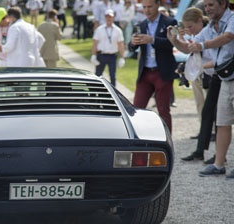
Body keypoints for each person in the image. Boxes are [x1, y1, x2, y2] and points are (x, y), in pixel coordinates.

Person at [167, 0, 234, 178]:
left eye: (211, 5)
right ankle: (218, 164)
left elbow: (228, 37)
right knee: (222, 122)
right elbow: (190, 48)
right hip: (224, 77)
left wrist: (202, 46)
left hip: (230, 74)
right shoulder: (210, 27)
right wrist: (174, 41)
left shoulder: (232, 19)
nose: (207, 9)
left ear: (223, 4)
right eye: (206, 5)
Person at [173, 8, 220, 163]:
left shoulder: (210, 32)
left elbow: (218, 59)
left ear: (200, 21)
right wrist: (175, 39)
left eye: (190, 27)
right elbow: (189, 49)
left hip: (218, 77)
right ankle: (202, 151)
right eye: (186, 27)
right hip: (207, 76)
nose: (188, 30)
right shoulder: (202, 33)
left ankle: (219, 155)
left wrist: (199, 67)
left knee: (219, 118)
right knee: (206, 113)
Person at [128, 0, 177, 134]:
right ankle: (137, 141)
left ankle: (167, 143)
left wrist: (153, 40)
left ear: (157, 5)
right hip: (145, 73)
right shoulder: (140, 25)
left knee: (163, 110)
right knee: (136, 109)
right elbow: (131, 48)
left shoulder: (170, 22)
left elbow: (173, 44)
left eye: (150, 7)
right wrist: (132, 43)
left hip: (162, 72)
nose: (147, 10)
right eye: (144, 7)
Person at [91, 9, 125, 86]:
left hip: (112, 56)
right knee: (97, 76)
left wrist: (122, 57)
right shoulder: (99, 29)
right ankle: (95, 93)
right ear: (105, 17)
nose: (109, 18)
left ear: (113, 18)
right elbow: (95, 43)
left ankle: (114, 95)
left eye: (110, 17)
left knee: (113, 76)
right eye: (107, 17)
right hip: (101, 55)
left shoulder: (118, 30)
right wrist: (93, 55)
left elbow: (120, 44)